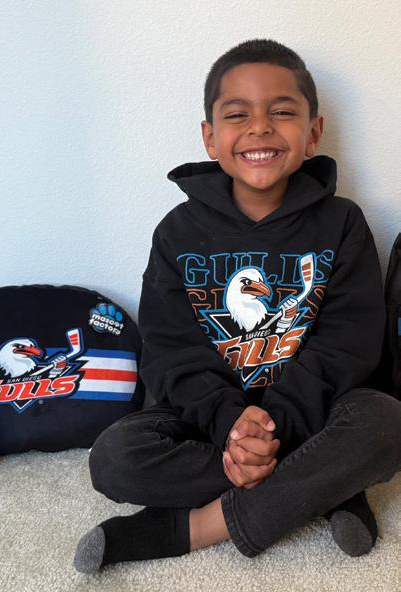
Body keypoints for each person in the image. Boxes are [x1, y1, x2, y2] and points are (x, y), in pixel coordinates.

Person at [74, 39, 401, 573]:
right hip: (208, 418)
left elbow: (349, 342)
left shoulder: (342, 222)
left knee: (386, 424)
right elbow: (170, 350)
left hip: (315, 410)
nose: (260, 128)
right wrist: (231, 423)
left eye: (282, 112)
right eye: (237, 114)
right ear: (210, 137)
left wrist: (275, 424)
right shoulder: (176, 232)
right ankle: (327, 488)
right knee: (113, 457)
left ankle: (193, 528)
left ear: (313, 132)